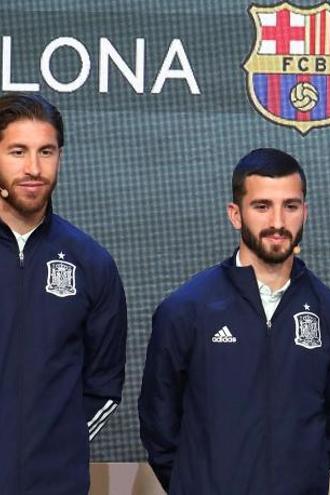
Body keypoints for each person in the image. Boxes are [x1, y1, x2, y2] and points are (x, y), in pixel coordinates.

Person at [139, 148, 330, 494]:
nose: (277, 222)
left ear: (305, 212)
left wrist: (303, 477)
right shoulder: (186, 309)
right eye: (262, 206)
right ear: (235, 214)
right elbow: (159, 422)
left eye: (290, 206)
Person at [0, 93, 127, 494]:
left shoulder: (92, 263)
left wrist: (59, 448)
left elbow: (104, 384)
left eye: (47, 151)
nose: (34, 168)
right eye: (17, 151)